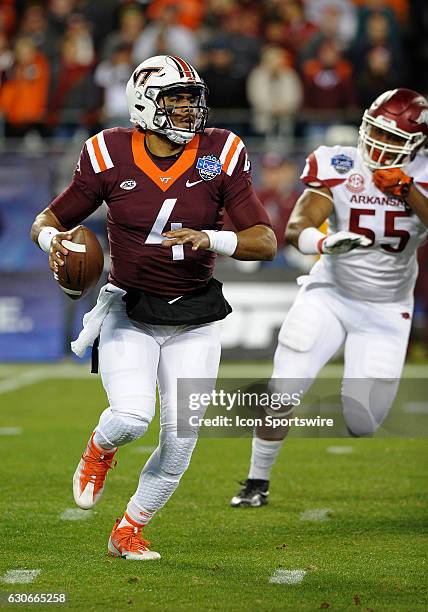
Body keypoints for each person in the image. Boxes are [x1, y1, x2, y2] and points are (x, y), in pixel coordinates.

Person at [31, 55, 276, 557]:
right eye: (176, 100)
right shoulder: (108, 153)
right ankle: (99, 449)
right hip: (131, 309)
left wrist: (210, 238)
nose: (189, 110)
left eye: (192, 99)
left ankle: (129, 529)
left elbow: (264, 240)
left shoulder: (217, 153)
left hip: (195, 316)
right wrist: (51, 242)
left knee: (182, 439)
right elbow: (48, 218)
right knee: (131, 417)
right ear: (144, 103)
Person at [230, 88, 428, 507]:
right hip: (331, 294)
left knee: (362, 421)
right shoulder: (339, 162)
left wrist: (409, 191)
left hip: (387, 309)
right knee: (283, 388)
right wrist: (323, 242)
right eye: (374, 131)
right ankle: (255, 481)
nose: (378, 144)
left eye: (392, 137)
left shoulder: (424, 174)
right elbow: (297, 225)